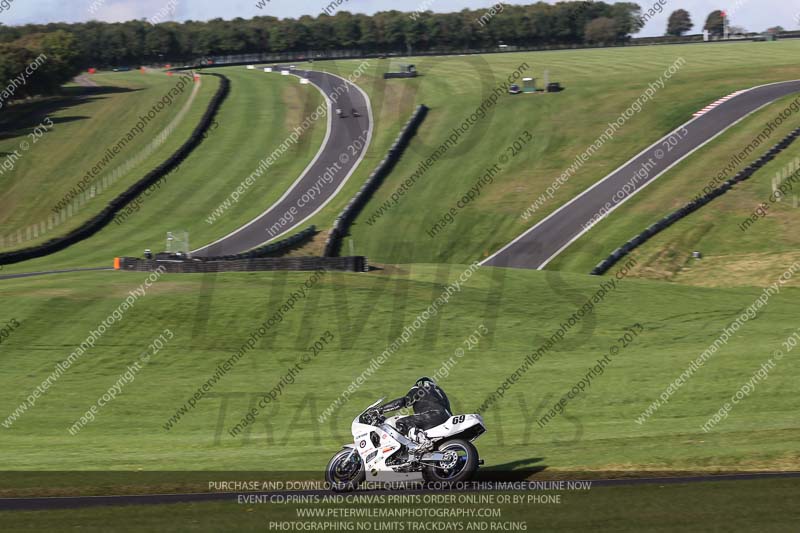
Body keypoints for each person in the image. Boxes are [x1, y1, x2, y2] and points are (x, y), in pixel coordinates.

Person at [378, 377, 451, 444]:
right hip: (447, 421)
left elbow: (404, 401)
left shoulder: (421, 388)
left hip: (432, 415)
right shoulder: (441, 394)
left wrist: (381, 409)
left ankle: (423, 441)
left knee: (403, 422)